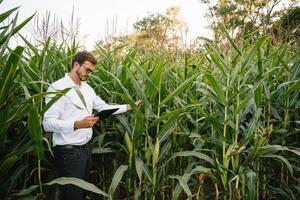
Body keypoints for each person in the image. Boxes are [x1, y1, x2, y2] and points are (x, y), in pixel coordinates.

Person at [42, 51, 142, 200]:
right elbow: (47, 124)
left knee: (81, 193)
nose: (89, 74)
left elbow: (103, 107)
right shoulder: (58, 88)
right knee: (73, 196)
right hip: (68, 152)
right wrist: (77, 124)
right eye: (87, 70)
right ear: (76, 64)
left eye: (91, 72)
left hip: (86, 149)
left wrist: (129, 106)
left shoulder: (87, 89)